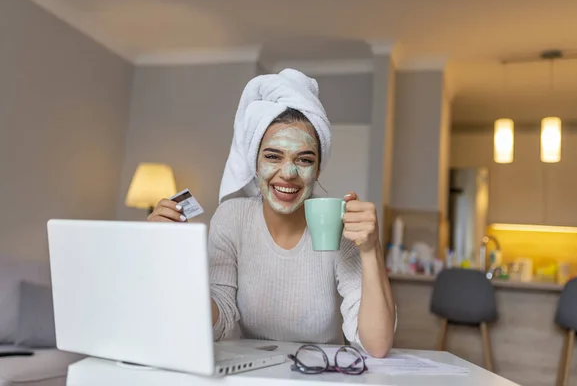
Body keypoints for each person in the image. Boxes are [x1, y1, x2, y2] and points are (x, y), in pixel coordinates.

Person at [148, 69, 396, 358]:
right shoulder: (232, 218)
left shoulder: (337, 224)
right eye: (273, 156)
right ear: (254, 162)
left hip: (323, 376)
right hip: (251, 374)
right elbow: (219, 326)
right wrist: (175, 256)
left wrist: (370, 249)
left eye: (304, 159)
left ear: (317, 169)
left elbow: (376, 345)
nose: (288, 173)